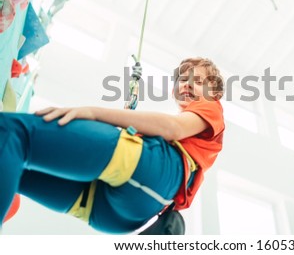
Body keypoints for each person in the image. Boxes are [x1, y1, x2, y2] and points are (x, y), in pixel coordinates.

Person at [0, 57, 225, 234]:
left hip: (151, 176)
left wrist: (93, 113)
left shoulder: (211, 107)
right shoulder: (191, 140)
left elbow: (172, 127)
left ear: (213, 92)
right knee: (13, 166)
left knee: (13, 133)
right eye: (183, 80)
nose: (187, 84)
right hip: (120, 215)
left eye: (198, 81)